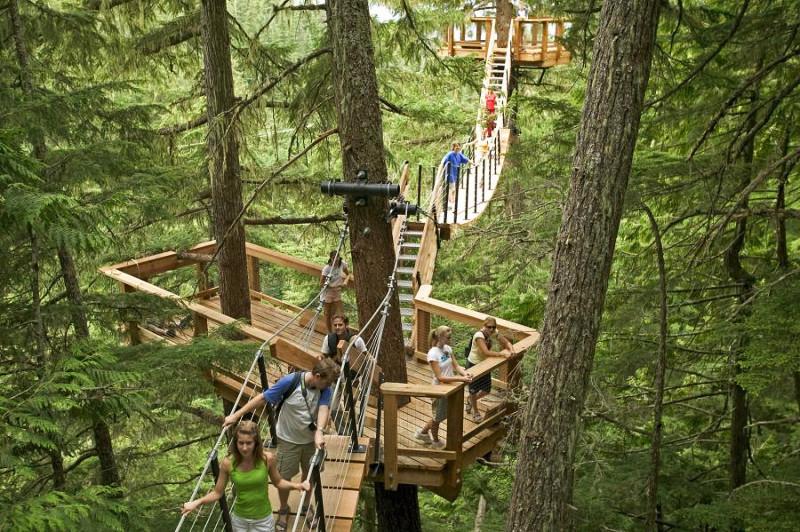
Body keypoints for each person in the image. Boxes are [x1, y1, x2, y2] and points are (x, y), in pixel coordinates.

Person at [223, 359, 339, 532]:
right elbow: (262, 398)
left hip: (310, 440)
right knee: (284, 477)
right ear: (316, 376)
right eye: (326, 382)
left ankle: (307, 506)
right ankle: (284, 509)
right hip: (288, 440)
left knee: (310, 473)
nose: (328, 386)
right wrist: (235, 415)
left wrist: (320, 431)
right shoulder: (290, 382)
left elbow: (323, 408)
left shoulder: (325, 387)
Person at [181, 420, 310, 532]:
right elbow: (217, 493)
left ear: (256, 443)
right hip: (240, 520)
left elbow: (278, 482)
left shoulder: (267, 459)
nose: (244, 448)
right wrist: (196, 502)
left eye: (249, 443)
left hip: (263, 519)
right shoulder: (228, 463)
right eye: (240, 443)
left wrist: (297, 485)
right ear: (235, 443)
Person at [414, 326, 472, 449]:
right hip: (439, 389)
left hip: (450, 387)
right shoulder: (433, 354)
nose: (450, 340)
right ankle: (434, 441)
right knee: (437, 418)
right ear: (440, 337)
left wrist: (464, 373)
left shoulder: (447, 349)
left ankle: (423, 433)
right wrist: (461, 379)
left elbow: (456, 366)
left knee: (440, 416)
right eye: (448, 337)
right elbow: (440, 377)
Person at [465, 317, 515, 422]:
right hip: (473, 365)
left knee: (486, 390)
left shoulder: (494, 332)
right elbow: (486, 352)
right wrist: (502, 354)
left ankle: (469, 399)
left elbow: (505, 341)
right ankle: (476, 412)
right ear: (484, 326)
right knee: (473, 390)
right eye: (489, 327)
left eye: (494, 327)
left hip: (484, 365)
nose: (491, 329)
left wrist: (511, 349)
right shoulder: (479, 336)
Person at [320, 250, 349, 333]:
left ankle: (344, 332)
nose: (336, 260)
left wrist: (345, 281)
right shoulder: (327, 268)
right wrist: (331, 286)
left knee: (341, 313)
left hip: (337, 292)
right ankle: (329, 333)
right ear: (331, 259)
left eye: (337, 258)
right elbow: (321, 283)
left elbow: (348, 274)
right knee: (327, 314)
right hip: (327, 293)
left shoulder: (342, 264)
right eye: (334, 258)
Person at [441, 143, 471, 209]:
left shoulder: (459, 154)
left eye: (458, 147)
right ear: (453, 147)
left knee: (452, 189)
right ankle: (451, 203)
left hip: (455, 174)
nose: (457, 148)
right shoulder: (450, 154)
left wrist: (471, 162)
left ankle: (451, 203)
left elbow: (465, 158)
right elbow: (444, 160)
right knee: (452, 189)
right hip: (450, 174)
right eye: (456, 147)